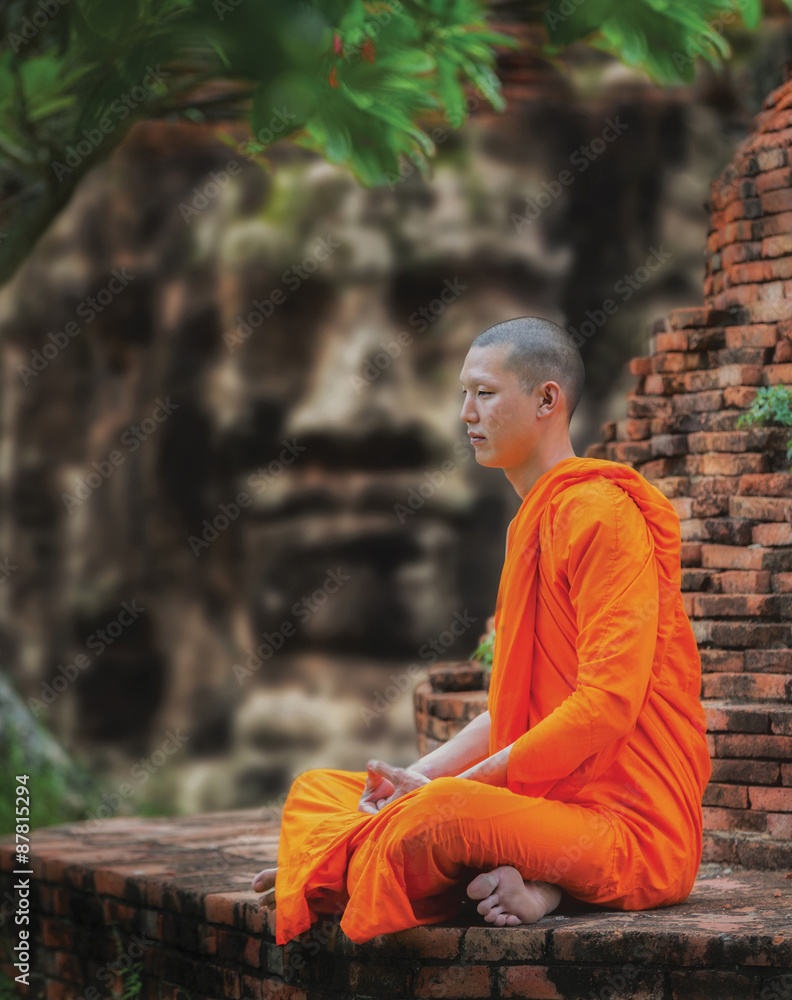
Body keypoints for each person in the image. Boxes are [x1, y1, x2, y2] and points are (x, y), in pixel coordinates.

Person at [252, 315, 711, 945]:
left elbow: (606, 706)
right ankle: (535, 885)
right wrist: (410, 779)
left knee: (435, 818)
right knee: (320, 792)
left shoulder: (601, 515)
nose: (466, 413)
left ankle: (500, 875)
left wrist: (446, 790)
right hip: (545, 813)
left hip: (628, 827)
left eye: (485, 394)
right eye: (463, 395)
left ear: (547, 399)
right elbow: (512, 706)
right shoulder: (532, 525)